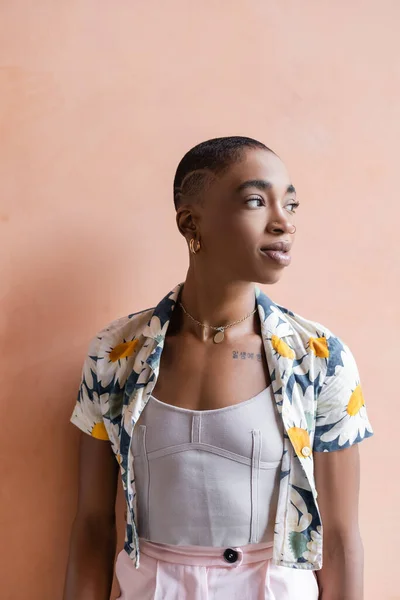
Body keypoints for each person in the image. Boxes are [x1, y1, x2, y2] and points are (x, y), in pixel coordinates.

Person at [64, 136, 374, 600]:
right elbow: (91, 527)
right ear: (192, 223)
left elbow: (344, 537)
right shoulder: (116, 354)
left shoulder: (318, 358)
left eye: (290, 203)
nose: (283, 221)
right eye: (256, 200)